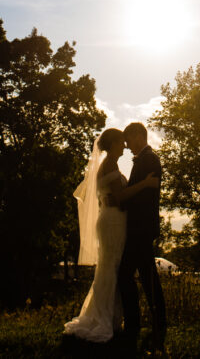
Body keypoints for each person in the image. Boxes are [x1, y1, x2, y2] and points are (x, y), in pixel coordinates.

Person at [64, 127, 158, 343]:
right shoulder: (109, 165)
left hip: (114, 219)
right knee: (112, 267)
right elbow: (120, 196)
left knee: (113, 267)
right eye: (121, 142)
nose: (125, 146)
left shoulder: (110, 164)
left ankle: (112, 319)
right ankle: (104, 319)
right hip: (113, 221)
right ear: (113, 144)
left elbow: (116, 197)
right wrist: (145, 183)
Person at [118, 122, 167, 353]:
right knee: (146, 278)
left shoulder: (150, 160)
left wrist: (123, 199)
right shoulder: (144, 160)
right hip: (140, 228)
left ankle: (137, 325)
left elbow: (145, 197)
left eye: (128, 140)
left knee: (130, 276)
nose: (127, 146)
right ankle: (152, 325)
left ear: (138, 136)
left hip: (142, 228)